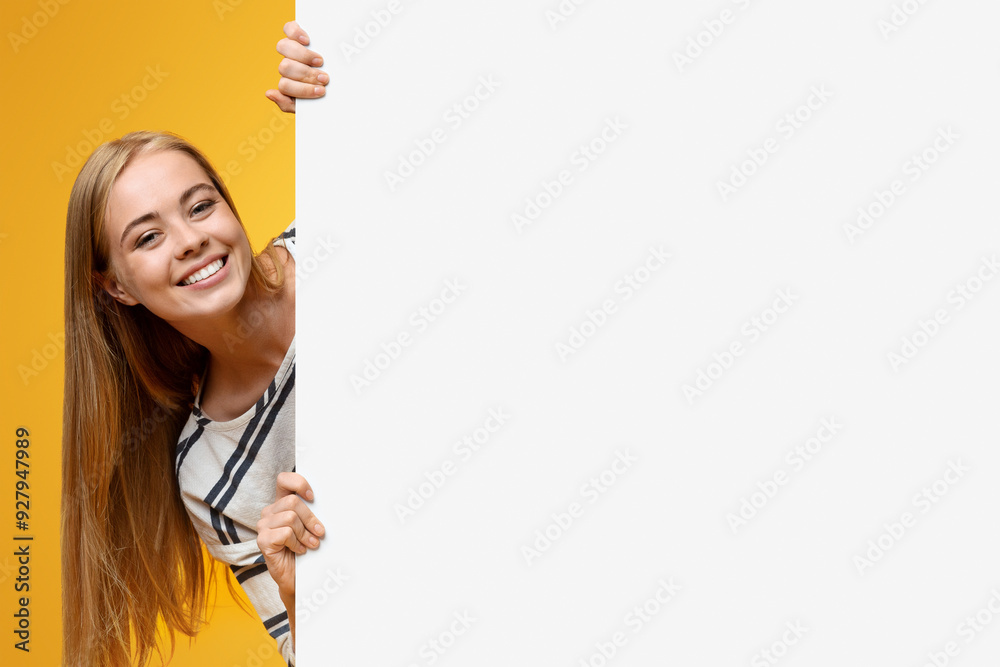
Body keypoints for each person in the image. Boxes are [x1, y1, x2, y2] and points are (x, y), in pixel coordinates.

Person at [61, 21, 326, 667]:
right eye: (146, 238)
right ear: (115, 288)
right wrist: (299, 595)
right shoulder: (211, 473)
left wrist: (353, 96)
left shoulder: (333, 234)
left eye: (200, 206)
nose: (189, 240)